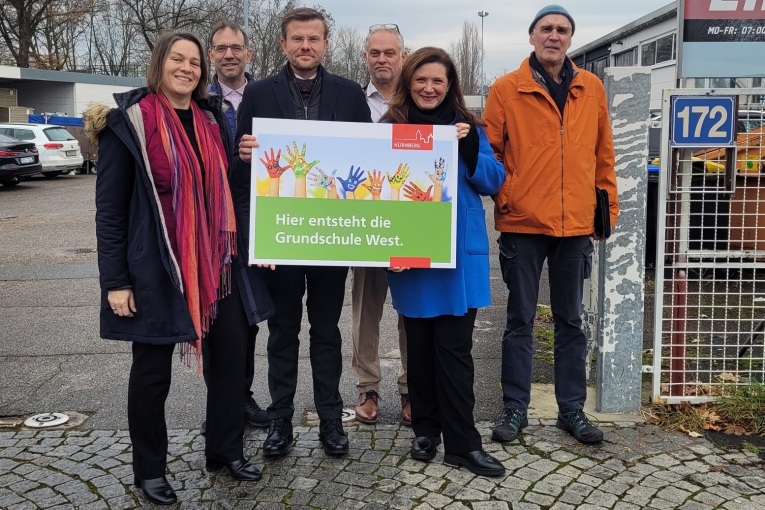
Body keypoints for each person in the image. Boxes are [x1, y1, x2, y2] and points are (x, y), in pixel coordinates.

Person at [86, 31, 272, 506]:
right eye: (177, 59)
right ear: (160, 63)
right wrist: (116, 281)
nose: (187, 68)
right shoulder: (127, 122)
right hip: (158, 266)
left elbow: (223, 185)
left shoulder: (210, 118)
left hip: (217, 264)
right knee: (152, 375)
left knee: (231, 361)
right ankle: (149, 470)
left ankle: (224, 451)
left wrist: (245, 160)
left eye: (193, 62)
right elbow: (109, 212)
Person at [234, 7, 372, 457]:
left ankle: (332, 421)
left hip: (332, 236)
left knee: (327, 331)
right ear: (283, 44)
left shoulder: (351, 96)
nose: (305, 46)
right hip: (282, 235)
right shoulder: (257, 94)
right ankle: (281, 423)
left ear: (326, 44)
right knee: (283, 332)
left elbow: (369, 165)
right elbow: (243, 173)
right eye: (297, 39)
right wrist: (245, 155)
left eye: (313, 39)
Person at [482, 4, 619, 445]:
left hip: (575, 225)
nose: (553, 36)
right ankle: (515, 407)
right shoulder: (506, 88)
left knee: (570, 321)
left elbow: (604, 155)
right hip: (523, 226)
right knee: (519, 319)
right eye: (546, 29)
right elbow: (492, 154)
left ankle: (571, 410)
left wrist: (606, 211)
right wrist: (508, 198)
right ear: (532, 36)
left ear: (569, 38)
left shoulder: (591, 88)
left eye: (561, 30)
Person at [383, 47, 506, 477]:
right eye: (421, 80)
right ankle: (426, 430)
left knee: (455, 353)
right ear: (408, 83)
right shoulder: (391, 127)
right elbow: (376, 194)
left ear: (449, 85)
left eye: (437, 80)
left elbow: (494, 180)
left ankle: (462, 443)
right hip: (411, 256)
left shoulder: (469, 128)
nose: (429, 88)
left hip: (456, 260)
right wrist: (384, 248)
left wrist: (471, 145)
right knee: (418, 352)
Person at [200, 19, 269, 434]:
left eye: (235, 47)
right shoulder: (199, 101)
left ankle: (241, 395)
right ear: (212, 55)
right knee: (216, 318)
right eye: (221, 48)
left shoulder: (264, 97)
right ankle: (221, 405)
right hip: (212, 227)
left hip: (258, 221)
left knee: (250, 316)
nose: (229, 54)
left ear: (249, 53)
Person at [352, 23, 410, 426]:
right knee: (364, 309)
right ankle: (367, 387)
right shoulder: (350, 101)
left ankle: (411, 390)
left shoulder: (420, 98)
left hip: (409, 221)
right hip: (362, 222)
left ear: (402, 56)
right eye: (375, 53)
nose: (382, 59)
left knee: (411, 310)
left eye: (390, 53)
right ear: (366, 57)